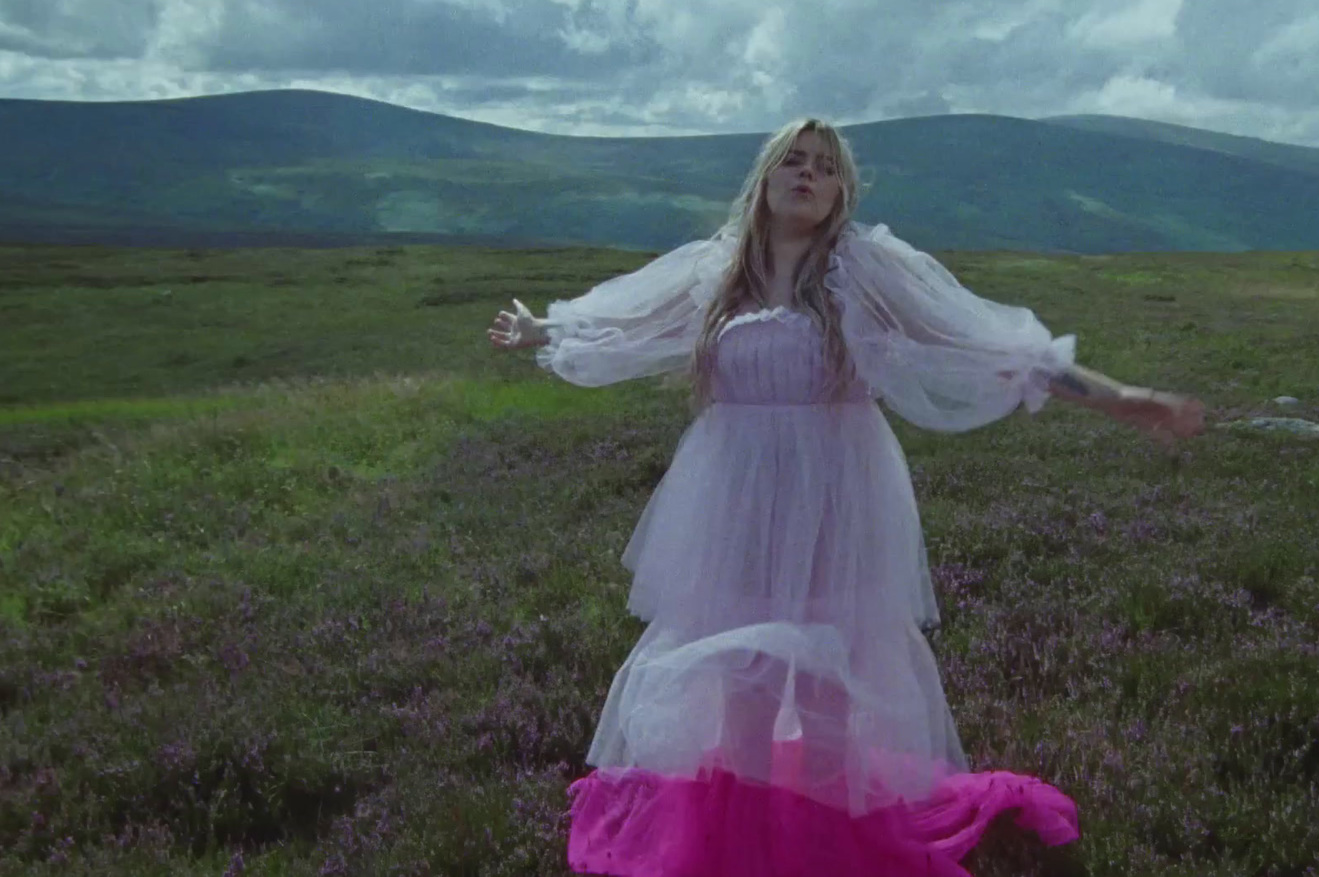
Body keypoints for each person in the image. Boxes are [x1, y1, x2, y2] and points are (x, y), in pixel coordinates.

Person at [488, 118, 1205, 876]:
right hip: (733, 498)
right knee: (744, 687)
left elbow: (988, 347)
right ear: (763, 180)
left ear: (841, 192)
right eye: (793, 161)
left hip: (839, 497)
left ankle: (823, 850)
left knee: (831, 683)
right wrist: (544, 330)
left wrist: (1120, 395)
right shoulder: (718, 272)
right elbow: (622, 323)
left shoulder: (864, 271)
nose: (807, 174)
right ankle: (745, 850)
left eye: (824, 166)